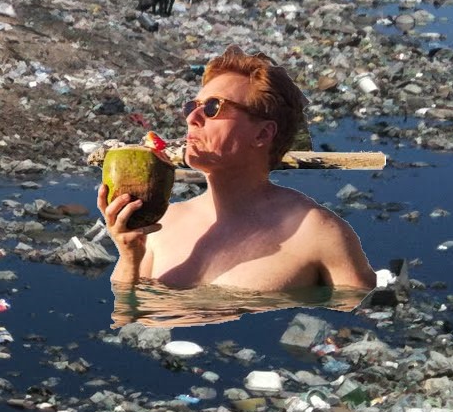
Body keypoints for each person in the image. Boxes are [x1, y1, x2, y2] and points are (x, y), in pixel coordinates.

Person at [98, 45, 376, 296]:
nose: (192, 118)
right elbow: (127, 319)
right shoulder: (161, 225)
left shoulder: (317, 232)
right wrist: (129, 255)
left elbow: (362, 319)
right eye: (191, 107)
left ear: (262, 134)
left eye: (212, 107)